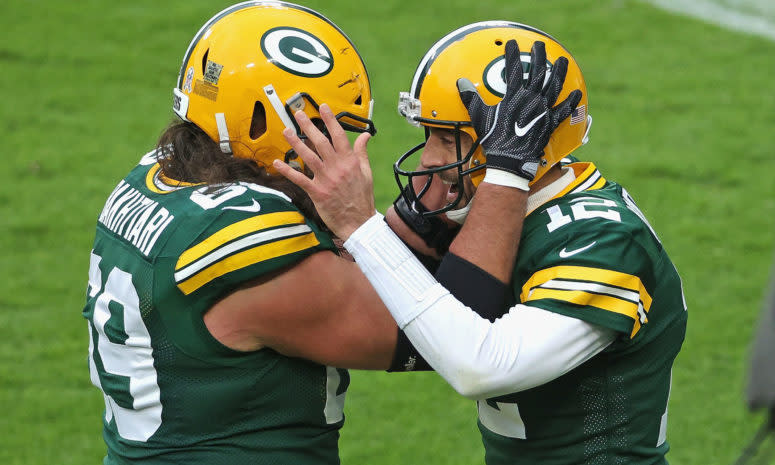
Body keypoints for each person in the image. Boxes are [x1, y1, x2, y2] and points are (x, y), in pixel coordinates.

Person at [275, 21, 688, 464]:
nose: (431, 158)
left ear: (525, 143)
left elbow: (483, 365)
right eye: (428, 135)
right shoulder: (491, 210)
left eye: (449, 138)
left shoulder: (600, 237)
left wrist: (362, 226)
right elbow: (369, 296)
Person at [82, 2, 414, 463]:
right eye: (322, 126)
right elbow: (431, 330)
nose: (337, 143)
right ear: (267, 121)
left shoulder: (152, 176)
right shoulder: (247, 234)